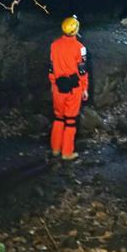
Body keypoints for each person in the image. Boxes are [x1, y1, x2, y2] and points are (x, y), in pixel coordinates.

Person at [48, 15, 89, 161]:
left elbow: (51, 68)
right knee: (70, 120)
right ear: (76, 30)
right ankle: (67, 152)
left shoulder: (54, 45)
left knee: (58, 118)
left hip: (58, 87)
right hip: (74, 88)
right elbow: (82, 71)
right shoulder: (80, 48)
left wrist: (52, 84)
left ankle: (55, 149)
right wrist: (84, 88)